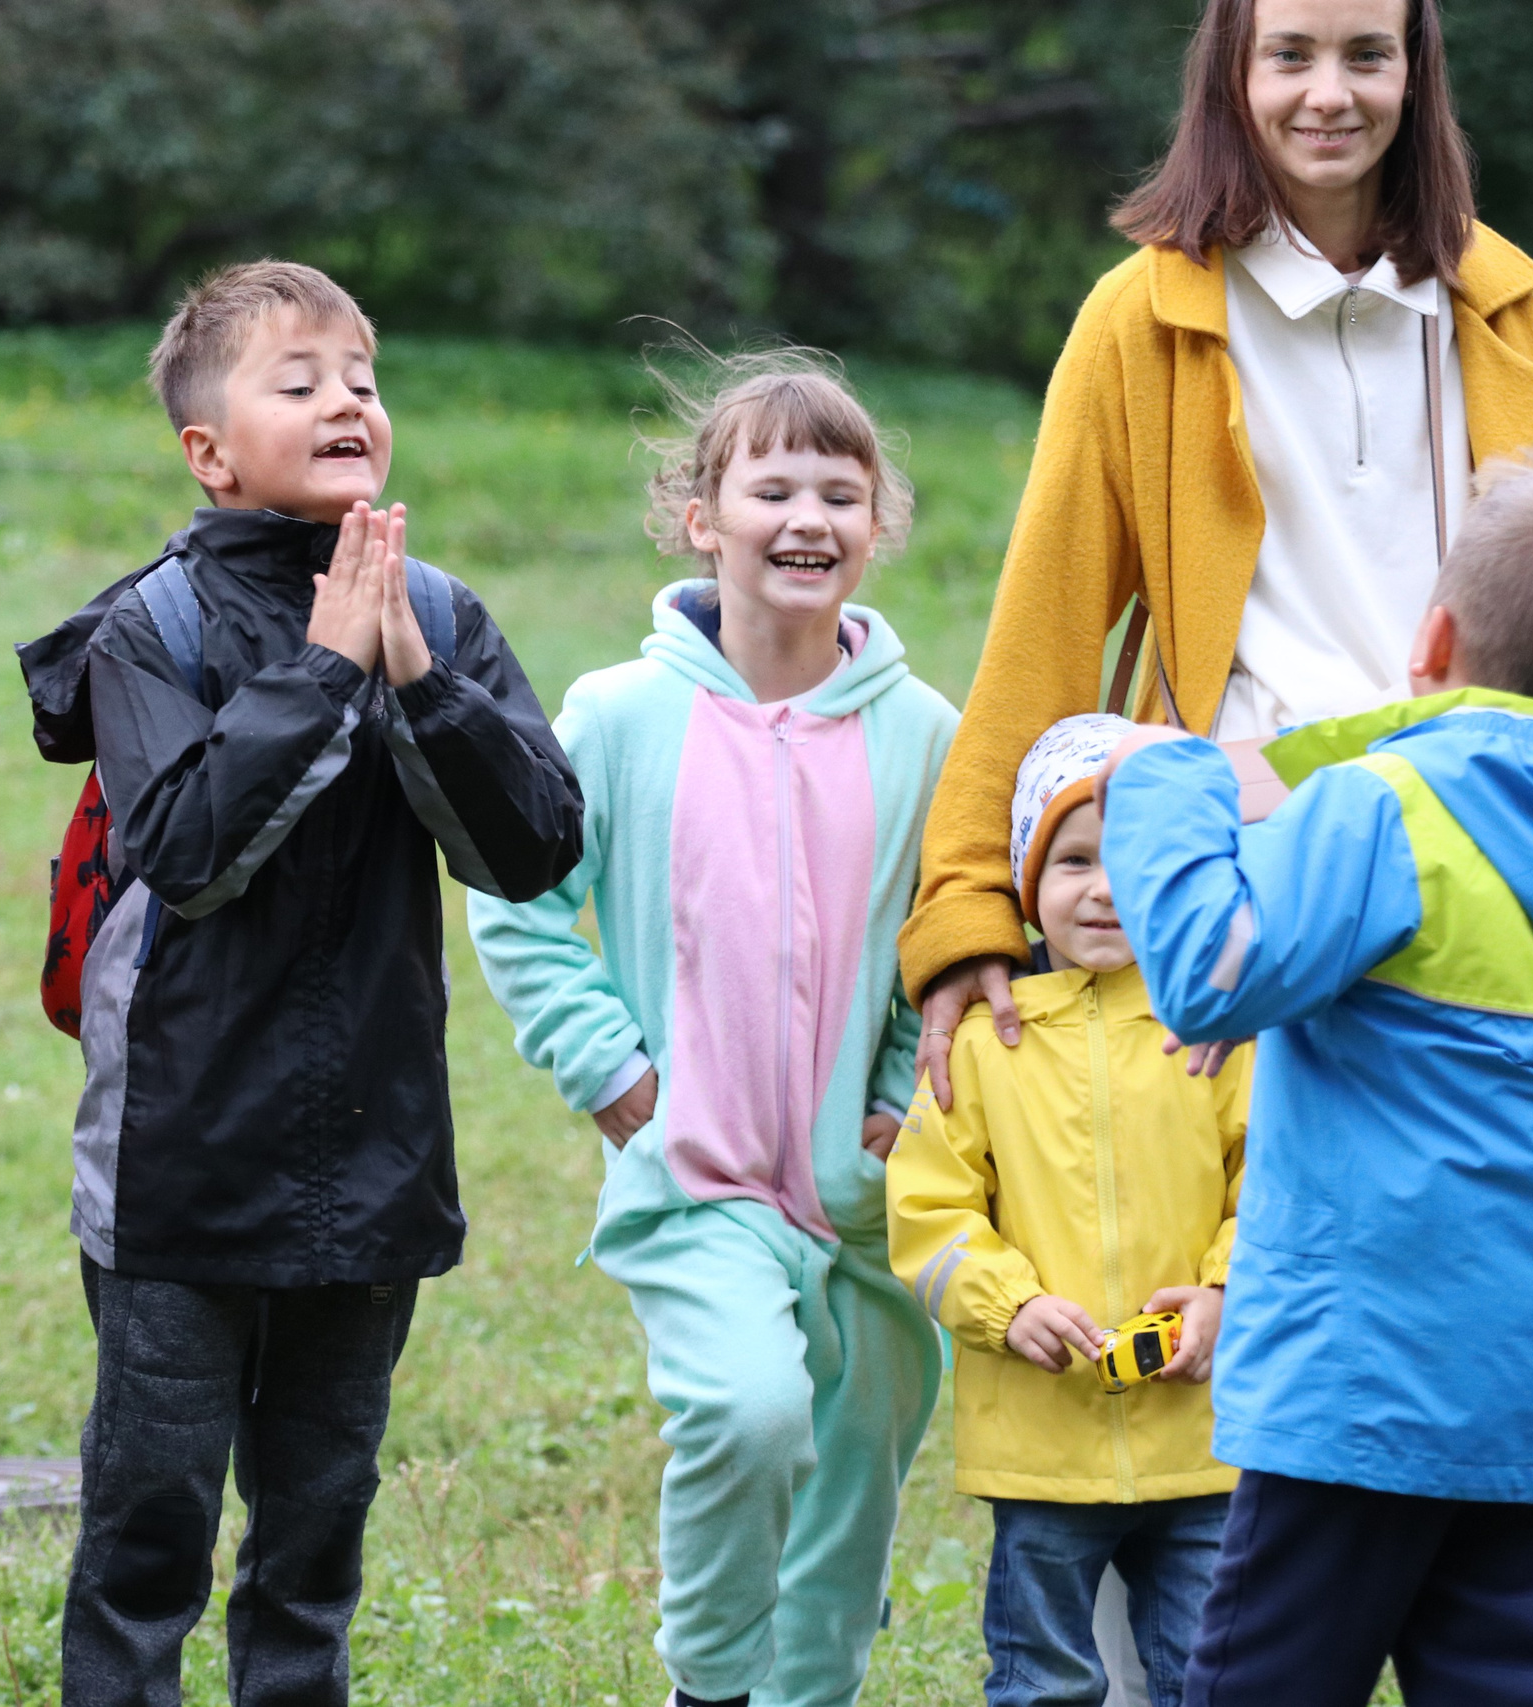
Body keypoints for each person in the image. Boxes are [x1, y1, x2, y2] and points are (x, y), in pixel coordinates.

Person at [15, 259, 583, 1707]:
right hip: (180, 1163)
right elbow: (187, 852)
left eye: (362, 380)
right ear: (208, 452)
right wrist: (327, 671)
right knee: (149, 1525)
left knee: (318, 1532)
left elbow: (535, 849)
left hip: (372, 1158)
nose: (346, 402)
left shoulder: (438, 613)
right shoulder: (153, 628)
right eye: (300, 380)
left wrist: (421, 681)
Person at [902, 0, 1533, 1106]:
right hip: (1247, 867)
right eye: (1290, 55)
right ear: (1231, 74)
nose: (1328, 94)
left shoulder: (1511, 300)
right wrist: (968, 902)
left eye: (1366, 55)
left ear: (1414, 72)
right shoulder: (1138, 316)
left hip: (1474, 852)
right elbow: (1045, 619)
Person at [467, 350, 952, 1707]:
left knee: (855, 1473)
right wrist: (607, 1066)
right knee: (749, 1413)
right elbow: (516, 898)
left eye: (841, 494)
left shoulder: (925, 734)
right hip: (692, 1172)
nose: (808, 518)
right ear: (702, 519)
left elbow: (948, 939)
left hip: (868, 1194)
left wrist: (902, 1092)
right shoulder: (620, 716)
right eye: (772, 489)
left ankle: (807, 1692)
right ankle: (712, 1685)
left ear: (877, 527)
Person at [1096, 452, 1533, 1704]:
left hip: (1359, 1393)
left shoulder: (1383, 807)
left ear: (1432, 640)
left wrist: (1161, 779)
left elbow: (1213, 974)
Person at [890, 713, 1250, 1707]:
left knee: (1210, 1675)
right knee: (1042, 1680)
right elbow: (928, 1210)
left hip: (1201, 1440)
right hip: (1039, 1450)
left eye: (1135, 860)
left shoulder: (1214, 1032)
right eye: (1075, 860)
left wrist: (1225, 1292)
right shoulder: (980, 1042)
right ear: (1025, 882)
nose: (1104, 888)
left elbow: (1268, 1184)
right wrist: (1007, 1305)